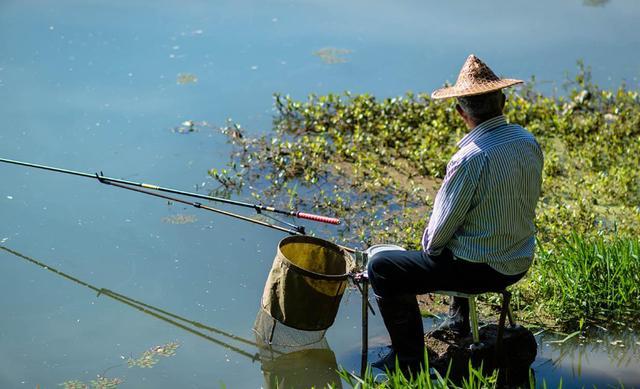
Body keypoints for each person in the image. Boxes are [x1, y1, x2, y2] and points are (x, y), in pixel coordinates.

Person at [367, 54, 544, 373]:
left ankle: (408, 362)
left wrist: (427, 254)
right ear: (503, 102)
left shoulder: (470, 158)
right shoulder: (527, 141)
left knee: (382, 266)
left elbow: (435, 238)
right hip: (519, 260)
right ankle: (459, 321)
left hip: (481, 271)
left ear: (460, 112)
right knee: (466, 239)